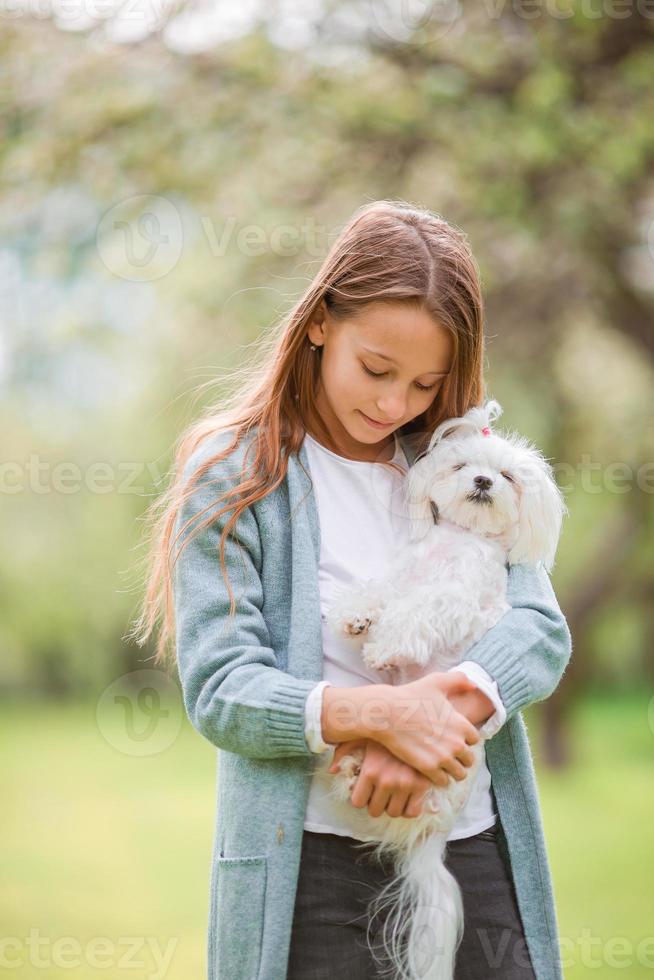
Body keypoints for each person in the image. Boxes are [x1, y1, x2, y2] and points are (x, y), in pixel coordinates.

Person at [131, 199, 572, 980]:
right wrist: (380, 716)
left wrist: (438, 720)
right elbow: (224, 688)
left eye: (424, 382)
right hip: (309, 873)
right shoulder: (235, 478)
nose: (395, 404)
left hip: (471, 849)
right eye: (376, 370)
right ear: (320, 322)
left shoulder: (457, 461)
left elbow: (537, 628)